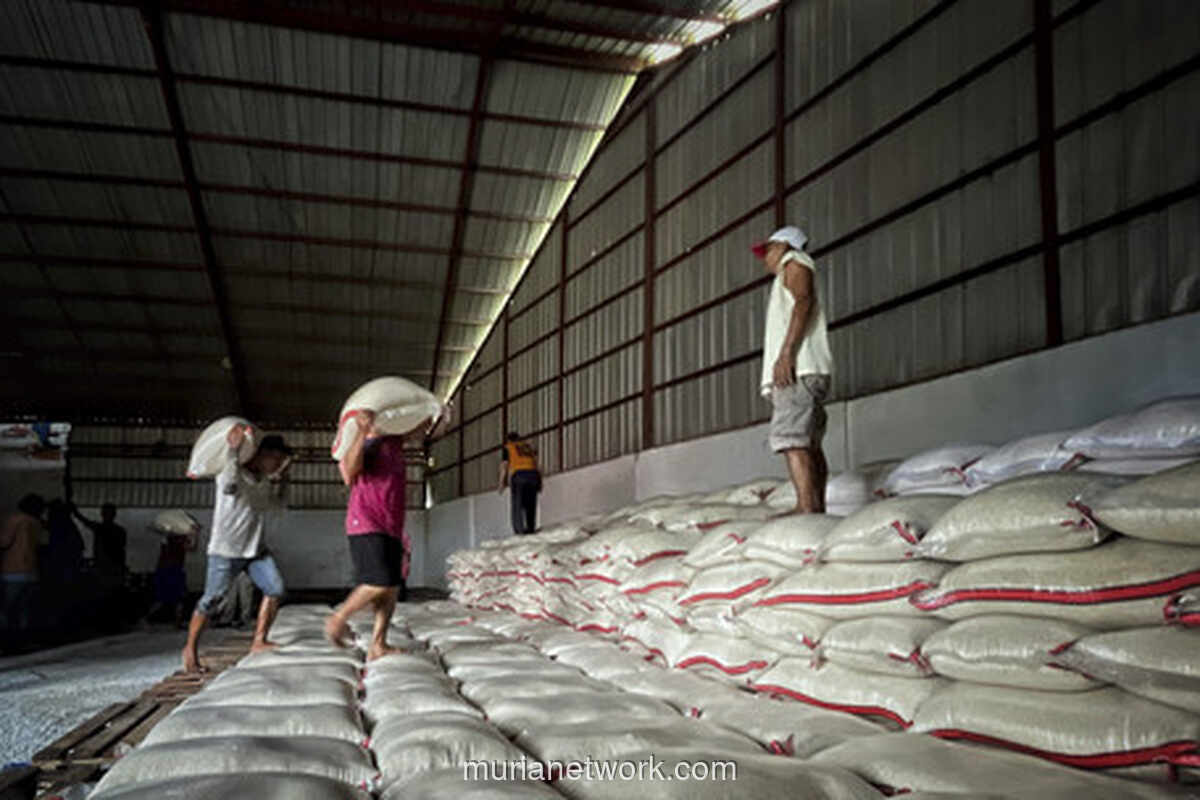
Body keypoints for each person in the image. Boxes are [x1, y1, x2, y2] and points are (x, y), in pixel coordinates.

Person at [326, 409, 444, 659]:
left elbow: (418, 431)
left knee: (391, 588)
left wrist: (432, 414)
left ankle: (378, 644)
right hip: (366, 521)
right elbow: (350, 471)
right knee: (377, 582)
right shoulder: (366, 443)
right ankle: (339, 618)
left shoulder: (394, 441)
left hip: (391, 525)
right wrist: (360, 431)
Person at [181, 427, 292, 673]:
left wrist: (284, 479)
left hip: (255, 551)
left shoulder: (263, 483)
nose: (277, 465)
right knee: (212, 600)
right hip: (226, 551)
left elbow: (278, 505)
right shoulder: (231, 473)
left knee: (276, 589)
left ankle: (259, 640)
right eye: (276, 459)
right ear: (262, 454)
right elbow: (230, 486)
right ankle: (190, 648)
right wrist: (232, 450)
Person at [753, 225, 834, 514]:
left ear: (785, 247)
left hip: (798, 369)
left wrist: (786, 354)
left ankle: (806, 507)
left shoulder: (795, 263)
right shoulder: (788, 272)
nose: (765, 257)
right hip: (808, 368)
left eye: (769, 249)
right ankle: (815, 506)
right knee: (808, 443)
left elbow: (804, 302)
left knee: (791, 440)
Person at [0, 494, 45, 650]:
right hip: (32, 572)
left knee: (6, 609)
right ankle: (22, 642)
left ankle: (6, 642)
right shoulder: (37, 523)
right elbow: (41, 546)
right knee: (24, 610)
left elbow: (4, 542)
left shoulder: (14, 520)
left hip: (12, 571)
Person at [148, 515, 198, 628]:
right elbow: (189, 547)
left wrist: (194, 535)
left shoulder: (182, 538)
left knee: (179, 598)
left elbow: (192, 548)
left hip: (176, 569)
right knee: (162, 598)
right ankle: (147, 618)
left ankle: (177, 622)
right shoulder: (170, 537)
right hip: (167, 570)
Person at [498, 432, 542, 534]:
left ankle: (519, 530)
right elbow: (538, 464)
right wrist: (540, 482)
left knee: (517, 504)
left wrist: (501, 483)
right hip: (533, 475)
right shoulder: (527, 448)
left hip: (519, 476)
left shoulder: (508, 447)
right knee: (530, 504)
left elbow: (504, 466)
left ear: (508, 440)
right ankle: (531, 528)